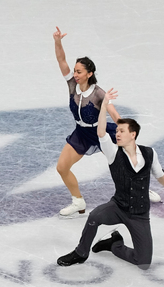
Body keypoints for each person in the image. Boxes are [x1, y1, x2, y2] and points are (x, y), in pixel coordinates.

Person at [57, 88, 164, 271]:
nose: (117, 134)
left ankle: (113, 244)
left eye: (121, 131)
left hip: (139, 215)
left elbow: (159, 174)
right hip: (118, 207)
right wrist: (104, 106)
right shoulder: (113, 153)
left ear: (133, 134)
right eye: (117, 131)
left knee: (143, 263)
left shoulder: (150, 153)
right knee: (95, 216)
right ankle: (80, 253)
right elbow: (102, 132)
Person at [53, 27, 123, 217]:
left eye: (79, 72)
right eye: (75, 71)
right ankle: (78, 201)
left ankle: (142, 189)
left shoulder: (99, 93)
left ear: (89, 73)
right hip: (81, 134)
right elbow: (61, 60)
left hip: (101, 133)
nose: (75, 74)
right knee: (62, 167)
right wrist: (58, 41)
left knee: (125, 166)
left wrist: (123, 129)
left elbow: (113, 113)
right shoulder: (72, 85)